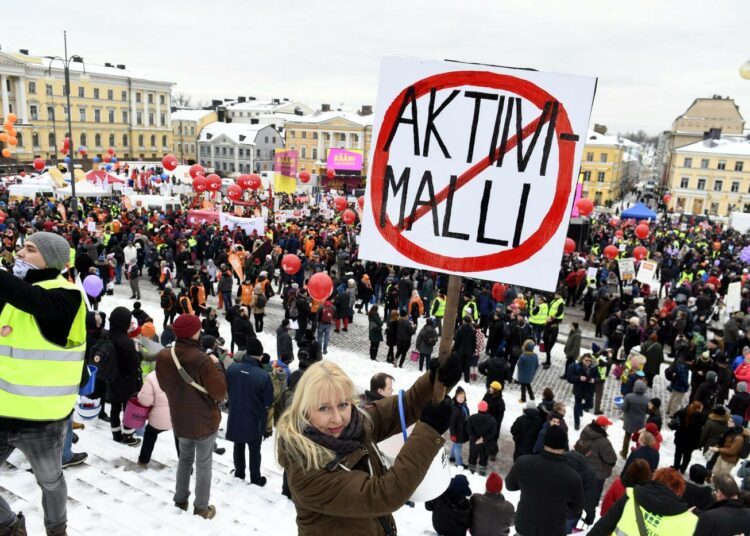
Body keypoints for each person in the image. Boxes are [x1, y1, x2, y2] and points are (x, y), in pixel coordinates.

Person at [276, 357, 462, 535]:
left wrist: (434, 381)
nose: (337, 418)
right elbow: (384, 494)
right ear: (305, 410)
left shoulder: (357, 423)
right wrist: (429, 431)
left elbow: (403, 408)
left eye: (342, 404)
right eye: (324, 408)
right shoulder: (306, 470)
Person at [0, 232, 87, 536]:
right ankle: (9, 525)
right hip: (2, 412)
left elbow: (36, 303)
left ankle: (56, 529)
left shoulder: (66, 295)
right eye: (21, 247)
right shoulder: (14, 292)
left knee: (50, 481)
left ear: (51, 260)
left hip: (41, 419)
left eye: (30, 249)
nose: (20, 254)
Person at [156, 314, 228, 519]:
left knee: (184, 460)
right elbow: (220, 392)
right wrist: (218, 365)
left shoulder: (164, 355)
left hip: (179, 418)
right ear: (194, 333)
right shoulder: (202, 360)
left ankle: (180, 500)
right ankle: (201, 508)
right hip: (204, 421)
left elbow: (163, 385)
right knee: (203, 463)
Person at [506, 426, 584, 536]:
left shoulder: (524, 462)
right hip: (553, 529)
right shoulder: (573, 477)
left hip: (525, 525)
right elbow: (577, 508)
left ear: (544, 441)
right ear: (564, 445)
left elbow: (510, 485)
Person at [589, 468, 698, 535]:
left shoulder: (631, 496)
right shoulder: (690, 522)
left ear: (654, 480)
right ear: (679, 492)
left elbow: (601, 529)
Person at [226, 337, 274, 487]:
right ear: (260, 355)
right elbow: (268, 401)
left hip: (236, 415)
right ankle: (255, 478)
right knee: (254, 450)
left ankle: (239, 473)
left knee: (238, 445)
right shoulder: (263, 376)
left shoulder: (232, 369)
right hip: (255, 419)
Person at [105, 306, 143, 447]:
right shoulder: (126, 341)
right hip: (127, 381)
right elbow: (133, 364)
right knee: (128, 409)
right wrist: (137, 353)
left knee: (115, 407)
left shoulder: (106, 335)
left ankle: (116, 434)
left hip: (111, 378)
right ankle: (128, 436)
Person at [580, 416, 618, 515]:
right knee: (594, 494)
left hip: (584, 468)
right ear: (603, 426)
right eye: (607, 425)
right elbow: (611, 459)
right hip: (598, 473)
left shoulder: (585, 432)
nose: (608, 427)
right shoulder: (603, 442)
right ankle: (589, 512)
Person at [137, 370, 174, 466]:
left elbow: (145, 401)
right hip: (178, 417)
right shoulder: (182, 374)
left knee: (150, 434)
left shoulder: (152, 378)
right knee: (181, 441)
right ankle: (187, 468)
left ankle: (143, 460)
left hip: (158, 419)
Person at [564, 438, 598, 530]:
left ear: (574, 446)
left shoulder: (558, 458)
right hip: (570, 513)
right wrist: (590, 517)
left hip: (549, 505)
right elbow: (589, 498)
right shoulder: (590, 473)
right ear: (589, 452)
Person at [672, 401, 706, 473]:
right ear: (697, 409)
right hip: (690, 442)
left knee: (678, 453)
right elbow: (699, 432)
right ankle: (683, 469)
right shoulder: (699, 418)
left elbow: (675, 416)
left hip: (680, 438)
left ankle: (676, 467)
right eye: (701, 408)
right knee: (687, 456)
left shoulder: (683, 412)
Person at [466, 400, 497, 476]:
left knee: (472, 456)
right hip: (485, 443)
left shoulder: (472, 418)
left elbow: (469, 429)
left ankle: (471, 471)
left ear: (478, 408)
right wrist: (483, 439)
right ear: (487, 409)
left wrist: (476, 439)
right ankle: (482, 472)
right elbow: (493, 433)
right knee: (483, 457)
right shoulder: (492, 420)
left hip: (474, 442)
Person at [620, 379, 649, 458]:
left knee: (627, 437)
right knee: (639, 439)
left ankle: (624, 453)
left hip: (629, 421)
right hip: (640, 422)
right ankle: (638, 454)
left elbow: (624, 408)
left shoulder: (629, 396)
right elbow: (648, 411)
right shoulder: (647, 399)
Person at [567, 353, 596, 430]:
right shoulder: (576, 367)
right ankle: (577, 423)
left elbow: (599, 378)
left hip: (589, 390)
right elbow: (569, 378)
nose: (588, 362)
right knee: (577, 404)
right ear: (582, 359)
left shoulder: (594, 367)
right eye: (586, 360)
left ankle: (578, 409)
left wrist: (594, 380)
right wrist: (579, 378)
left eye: (590, 361)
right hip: (579, 390)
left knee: (590, 405)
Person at [449, 387, 470, 468]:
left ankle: (452, 457)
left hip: (462, 430)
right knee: (458, 446)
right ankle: (459, 463)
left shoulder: (463, 405)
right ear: (456, 397)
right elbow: (452, 423)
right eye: (459, 397)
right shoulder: (455, 408)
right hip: (457, 432)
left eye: (463, 397)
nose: (461, 399)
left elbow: (466, 414)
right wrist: (453, 434)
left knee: (456, 444)